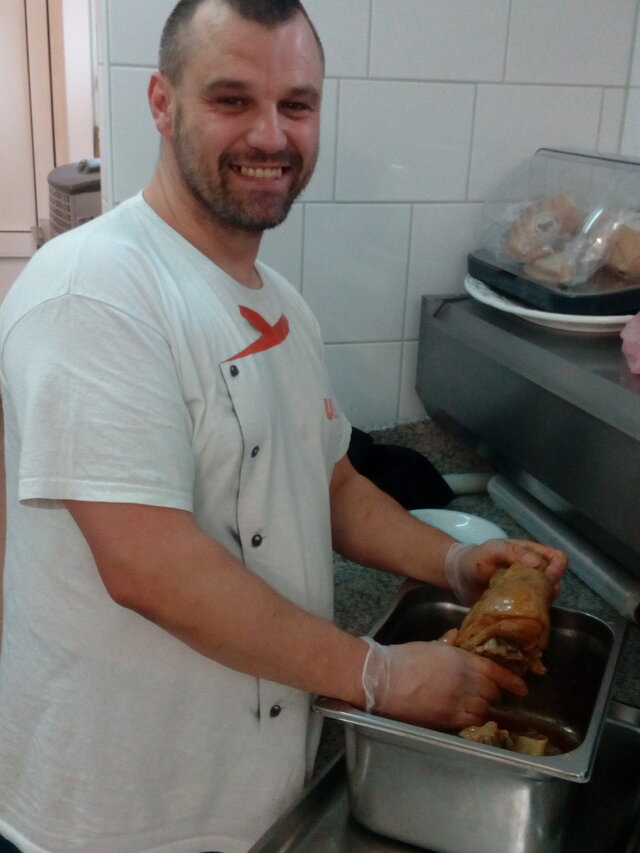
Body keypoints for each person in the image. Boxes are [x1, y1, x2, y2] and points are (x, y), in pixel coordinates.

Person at [0, 1, 567, 851]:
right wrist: (377, 674)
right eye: (232, 99)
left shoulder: (284, 310)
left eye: (296, 105)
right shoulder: (96, 288)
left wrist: (452, 562)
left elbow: (330, 483)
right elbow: (149, 565)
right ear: (162, 103)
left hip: (256, 798)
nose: (271, 135)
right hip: (116, 814)